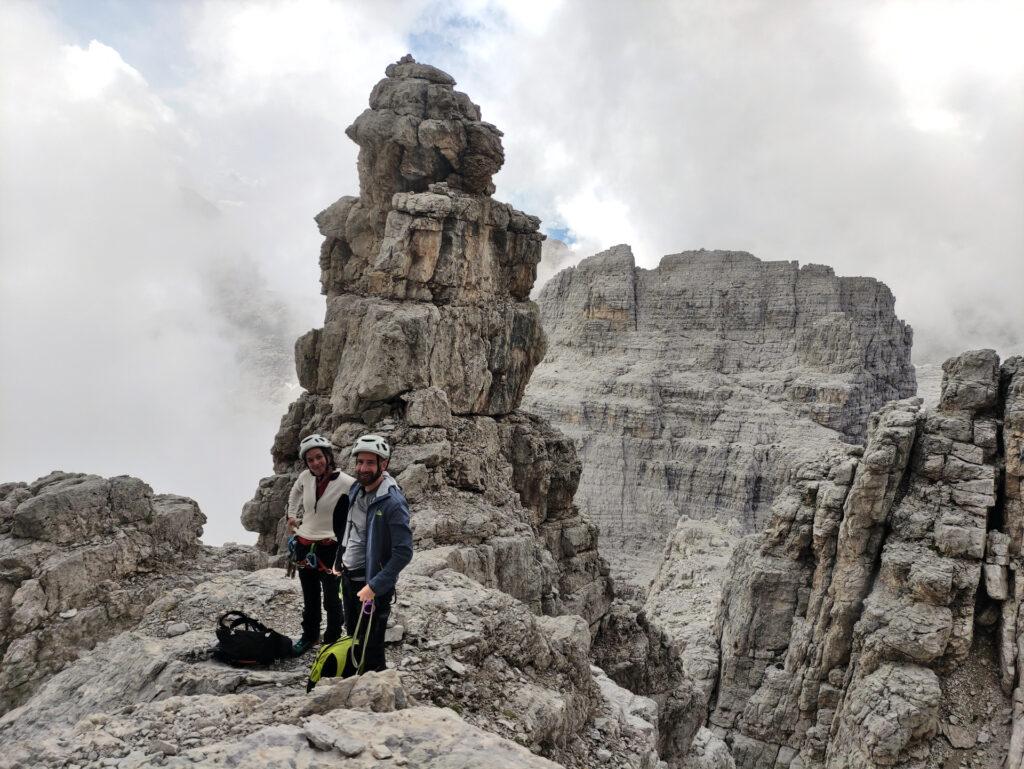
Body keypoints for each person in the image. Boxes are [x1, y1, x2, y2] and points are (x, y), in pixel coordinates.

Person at [336, 434, 413, 673]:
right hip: (350, 578)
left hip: (371, 586)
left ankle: (375, 687)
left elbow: (403, 552)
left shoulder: (392, 502)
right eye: (360, 462)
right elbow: (350, 530)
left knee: (372, 645)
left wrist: (375, 586)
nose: (363, 468)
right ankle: (356, 680)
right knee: (353, 635)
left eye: (370, 463)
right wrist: (340, 561)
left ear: (384, 464)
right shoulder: (357, 489)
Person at [286, 434, 354, 656]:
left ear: (328, 457)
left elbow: (361, 503)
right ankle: (310, 636)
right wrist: (291, 515)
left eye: (319, 457)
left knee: (333, 597)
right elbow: (295, 491)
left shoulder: (346, 482)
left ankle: (333, 638)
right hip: (305, 545)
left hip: (330, 547)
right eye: (310, 460)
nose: (315, 463)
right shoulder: (305, 477)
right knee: (310, 595)